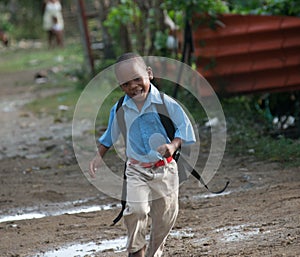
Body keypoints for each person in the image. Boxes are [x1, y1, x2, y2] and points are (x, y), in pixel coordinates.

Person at [89, 52, 196, 257]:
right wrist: (98, 156)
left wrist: (173, 146)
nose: (133, 86)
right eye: (126, 84)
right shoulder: (120, 108)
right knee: (136, 211)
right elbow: (110, 134)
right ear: (120, 86)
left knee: (165, 219)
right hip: (136, 169)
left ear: (149, 74)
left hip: (165, 169)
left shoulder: (166, 104)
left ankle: (153, 253)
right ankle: (136, 250)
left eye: (138, 79)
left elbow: (184, 128)